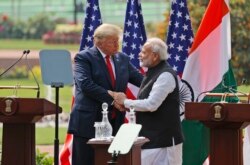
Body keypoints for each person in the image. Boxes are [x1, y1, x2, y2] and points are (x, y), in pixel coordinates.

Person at [67, 23, 143, 165]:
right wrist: (113, 98)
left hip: (115, 122)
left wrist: (160, 84)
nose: (117, 45)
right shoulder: (84, 58)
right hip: (88, 123)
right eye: (112, 41)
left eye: (117, 41)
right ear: (98, 41)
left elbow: (140, 80)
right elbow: (85, 85)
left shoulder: (122, 59)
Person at [113, 38, 184, 165]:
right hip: (150, 139)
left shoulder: (165, 76)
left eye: (144, 52)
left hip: (163, 142)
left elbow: (151, 104)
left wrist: (125, 102)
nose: (139, 55)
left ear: (155, 56)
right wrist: (128, 106)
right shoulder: (151, 73)